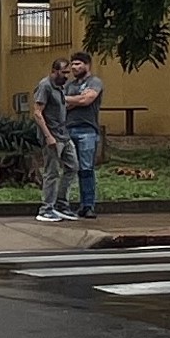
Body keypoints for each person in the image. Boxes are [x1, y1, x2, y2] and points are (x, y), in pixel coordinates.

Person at [58, 52, 108, 219]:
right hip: (69, 129)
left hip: (88, 130)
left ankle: (87, 205)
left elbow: (87, 100)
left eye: (78, 64)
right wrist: (77, 99)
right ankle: (63, 204)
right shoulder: (69, 85)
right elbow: (61, 103)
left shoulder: (95, 82)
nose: (73, 67)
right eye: (72, 64)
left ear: (87, 65)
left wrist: (71, 100)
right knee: (70, 168)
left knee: (86, 169)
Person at [31, 57, 78, 221]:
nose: (67, 76)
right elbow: (37, 113)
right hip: (53, 137)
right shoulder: (45, 86)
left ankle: (61, 203)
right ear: (54, 71)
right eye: (63, 72)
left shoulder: (60, 87)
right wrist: (48, 136)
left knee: (72, 167)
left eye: (68, 73)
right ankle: (46, 208)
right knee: (51, 172)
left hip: (63, 134)